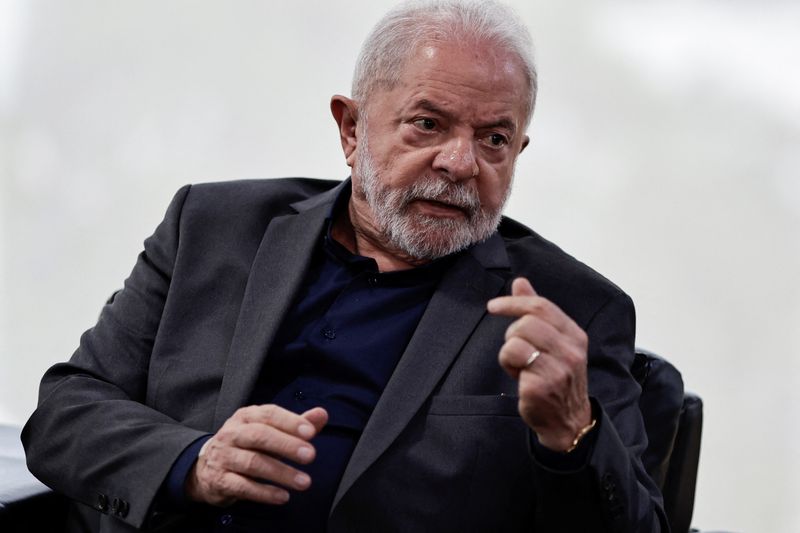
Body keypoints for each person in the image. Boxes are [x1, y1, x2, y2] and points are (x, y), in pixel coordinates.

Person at [23, 1, 668, 531]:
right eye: (427, 124)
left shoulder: (569, 308)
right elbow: (65, 414)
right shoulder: (212, 228)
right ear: (351, 129)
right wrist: (194, 464)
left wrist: (574, 436)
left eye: (494, 139)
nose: (461, 163)